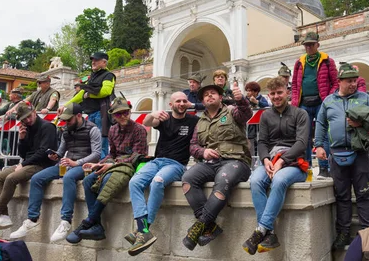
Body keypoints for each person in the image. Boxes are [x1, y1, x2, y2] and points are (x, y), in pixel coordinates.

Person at [9, 103, 101, 242]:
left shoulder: (93, 129)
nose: (66, 123)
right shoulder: (66, 130)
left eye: (69, 120)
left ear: (78, 116)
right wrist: (55, 156)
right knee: (37, 178)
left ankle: (65, 220)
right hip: (66, 164)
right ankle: (32, 218)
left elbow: (96, 154)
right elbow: (61, 151)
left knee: (69, 177)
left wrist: (77, 162)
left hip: (84, 165)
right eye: (64, 120)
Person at [315, 62, 369, 249]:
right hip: (336, 154)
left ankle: (368, 237)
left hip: (360, 153)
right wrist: (319, 145)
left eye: (355, 80)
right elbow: (320, 124)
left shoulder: (365, 98)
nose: (353, 84)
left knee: (363, 194)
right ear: (340, 82)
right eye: (349, 81)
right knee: (342, 197)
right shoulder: (328, 101)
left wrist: (361, 122)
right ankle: (343, 234)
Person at [181, 81, 252, 250]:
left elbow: (246, 113)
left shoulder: (232, 111)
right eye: (205, 95)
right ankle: (209, 226)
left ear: (221, 97)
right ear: (203, 101)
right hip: (210, 163)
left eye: (213, 93)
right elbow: (193, 146)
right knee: (188, 178)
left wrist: (241, 99)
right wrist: (202, 152)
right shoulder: (200, 122)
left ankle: (199, 226)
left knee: (223, 179)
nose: (209, 96)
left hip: (236, 161)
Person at [66, 97, 147, 244]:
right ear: (113, 116)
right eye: (118, 114)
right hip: (114, 164)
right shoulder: (113, 130)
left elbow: (137, 157)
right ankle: (97, 225)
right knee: (88, 180)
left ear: (129, 112)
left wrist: (112, 164)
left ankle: (89, 220)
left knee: (108, 181)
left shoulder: (139, 129)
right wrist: (97, 164)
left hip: (130, 166)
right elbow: (111, 154)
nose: (122, 116)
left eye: (125, 112)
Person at [126, 92, 199, 256]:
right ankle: (142, 229)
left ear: (187, 103)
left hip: (177, 164)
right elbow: (147, 122)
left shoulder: (194, 121)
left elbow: (207, 109)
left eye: (184, 101)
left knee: (157, 182)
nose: (181, 103)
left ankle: (144, 230)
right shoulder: (164, 119)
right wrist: (153, 113)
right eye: (177, 101)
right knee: (134, 182)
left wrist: (194, 105)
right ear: (171, 104)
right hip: (157, 161)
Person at [242, 77, 308, 255]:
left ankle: (260, 230)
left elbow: (302, 143)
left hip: (294, 162)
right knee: (255, 180)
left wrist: (282, 161)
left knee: (279, 180)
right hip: (270, 160)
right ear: (268, 96)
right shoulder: (265, 115)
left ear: (287, 92)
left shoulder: (300, 113)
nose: (276, 96)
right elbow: (262, 142)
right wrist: (265, 159)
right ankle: (268, 234)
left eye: (279, 92)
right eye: (273, 94)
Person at [0, 103, 57, 231]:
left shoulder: (47, 127)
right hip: (28, 163)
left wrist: (23, 164)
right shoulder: (26, 128)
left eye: (29, 117)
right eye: (24, 119)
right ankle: (4, 215)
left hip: (42, 164)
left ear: (34, 112)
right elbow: (23, 154)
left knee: (11, 178)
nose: (28, 120)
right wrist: (21, 139)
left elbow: (43, 152)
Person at [291, 31, 338, 176]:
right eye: (306, 45)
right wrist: (294, 102)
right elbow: (294, 85)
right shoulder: (299, 62)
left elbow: (335, 82)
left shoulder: (327, 61)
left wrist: (328, 99)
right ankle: (306, 167)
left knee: (322, 135)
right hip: (304, 103)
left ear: (318, 44)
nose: (309, 47)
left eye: (311, 44)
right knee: (303, 135)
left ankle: (324, 168)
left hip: (321, 103)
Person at [62, 51, 116, 159]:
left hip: (101, 114)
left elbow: (106, 91)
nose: (93, 62)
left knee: (100, 144)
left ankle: (101, 168)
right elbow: (82, 94)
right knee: (93, 145)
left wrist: (89, 95)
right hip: (91, 114)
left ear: (104, 62)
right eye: (92, 60)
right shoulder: (92, 77)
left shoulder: (109, 75)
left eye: (96, 60)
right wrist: (66, 106)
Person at [245, 81, 269, 160]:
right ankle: (251, 159)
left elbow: (267, 106)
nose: (248, 93)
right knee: (250, 142)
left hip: (259, 126)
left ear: (256, 92)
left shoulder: (262, 98)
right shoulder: (245, 100)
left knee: (259, 141)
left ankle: (259, 159)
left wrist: (257, 102)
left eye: (250, 91)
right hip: (248, 126)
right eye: (247, 90)